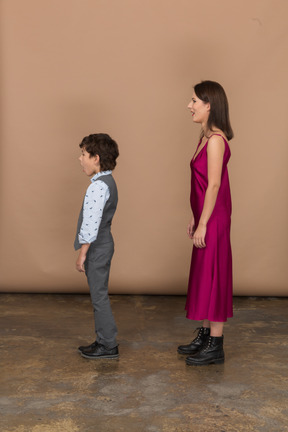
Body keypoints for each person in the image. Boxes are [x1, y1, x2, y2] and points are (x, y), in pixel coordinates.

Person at [177, 80, 234, 366]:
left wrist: (203, 223)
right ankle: (205, 335)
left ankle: (216, 344)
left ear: (209, 105)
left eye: (194, 101)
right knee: (203, 274)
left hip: (214, 218)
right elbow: (202, 186)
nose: (190, 106)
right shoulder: (204, 137)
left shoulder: (215, 141)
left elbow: (213, 186)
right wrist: (194, 216)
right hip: (206, 216)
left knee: (214, 275)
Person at [74, 133, 119, 359]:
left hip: (97, 247)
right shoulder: (107, 181)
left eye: (83, 154)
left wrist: (83, 253)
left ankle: (108, 344)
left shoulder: (97, 187)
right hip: (104, 244)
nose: (80, 159)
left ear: (96, 158)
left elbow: (91, 223)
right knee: (98, 294)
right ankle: (102, 340)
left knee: (98, 297)